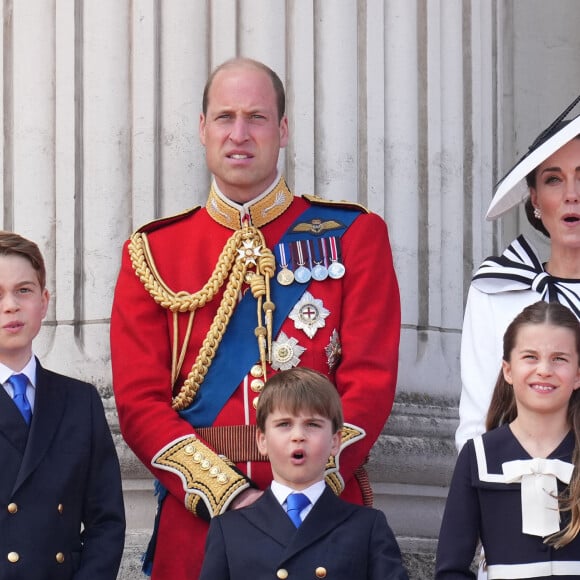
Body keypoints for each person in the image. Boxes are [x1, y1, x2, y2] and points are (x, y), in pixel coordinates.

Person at [110, 57, 401, 579]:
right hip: (200, 524)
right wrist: (228, 495)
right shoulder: (154, 252)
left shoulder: (354, 235)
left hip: (324, 521)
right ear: (202, 130)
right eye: (224, 117)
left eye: (257, 117)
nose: (239, 134)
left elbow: (370, 384)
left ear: (283, 129)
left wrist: (310, 486)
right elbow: (139, 404)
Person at [199, 367, 409, 580]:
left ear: (335, 441)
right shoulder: (229, 530)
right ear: (262, 440)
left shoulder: (367, 527)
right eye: (284, 424)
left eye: (312, 424)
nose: (298, 436)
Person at [456, 95, 580, 451]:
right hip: (518, 489)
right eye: (554, 180)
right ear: (535, 200)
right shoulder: (498, 289)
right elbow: (477, 424)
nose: (571, 194)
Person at [0, 231, 125, 579]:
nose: (11, 305)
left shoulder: (79, 401)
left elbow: (106, 520)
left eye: (23, 290)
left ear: (44, 301)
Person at [437, 301, 580, 578]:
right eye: (530, 357)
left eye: (559, 358)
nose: (544, 370)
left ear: (577, 375)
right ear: (508, 370)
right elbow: (450, 568)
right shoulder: (478, 455)